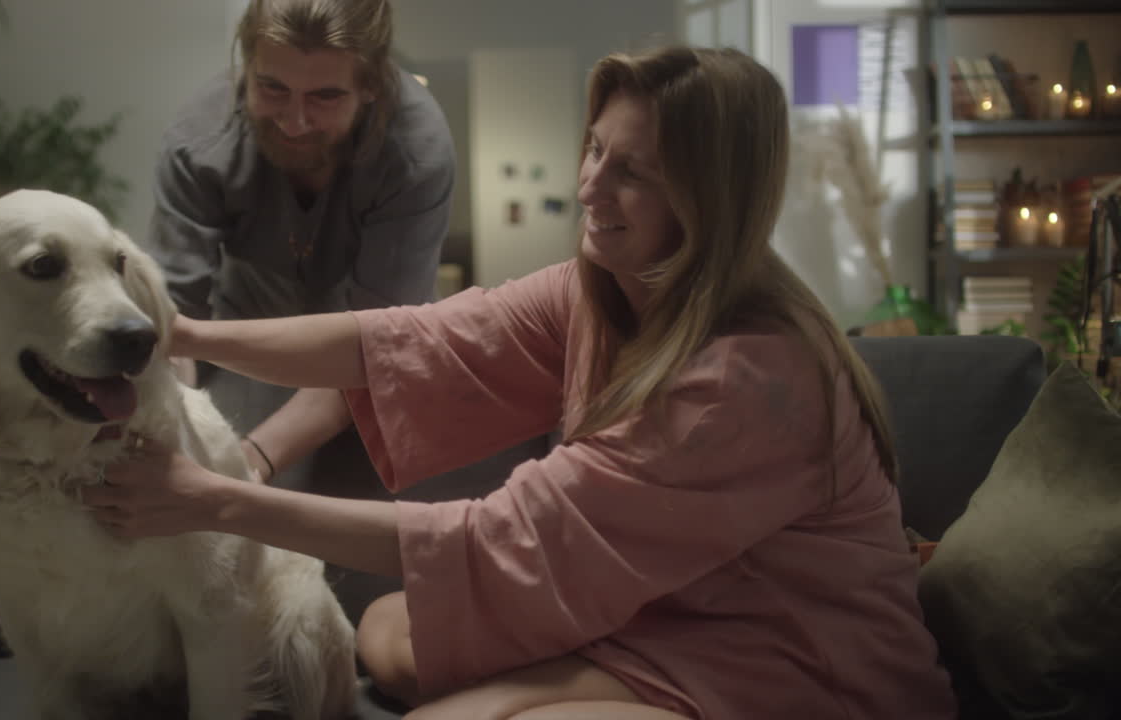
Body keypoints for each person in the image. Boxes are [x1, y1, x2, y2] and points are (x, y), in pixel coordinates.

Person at [87, 46, 959, 719]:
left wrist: (215, 499)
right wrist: (184, 334)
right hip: (656, 620)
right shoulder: (600, 289)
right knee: (386, 634)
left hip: (798, 665)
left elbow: (499, 538)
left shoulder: (747, 380)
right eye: (595, 150)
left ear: (712, 202)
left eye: (632, 173)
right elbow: (401, 343)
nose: (591, 187)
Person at [145, 0, 455, 482]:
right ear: (247, 66)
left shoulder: (415, 150)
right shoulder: (199, 143)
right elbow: (173, 322)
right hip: (247, 324)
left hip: (373, 331)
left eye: (325, 96)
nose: (294, 121)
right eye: (272, 88)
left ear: (371, 85)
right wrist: (180, 443)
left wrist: (247, 465)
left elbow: (378, 343)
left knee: (364, 491)